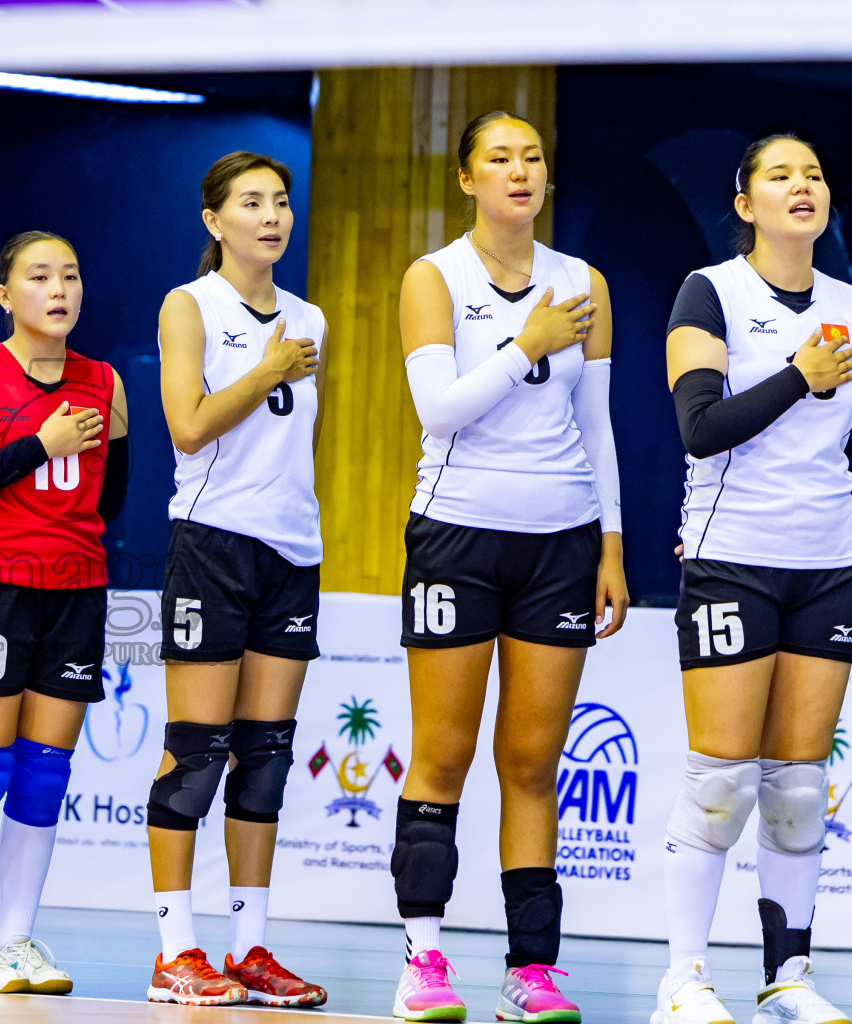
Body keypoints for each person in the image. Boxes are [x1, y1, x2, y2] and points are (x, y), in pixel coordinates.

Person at [393, 111, 626, 1023]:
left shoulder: (583, 281)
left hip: (562, 540)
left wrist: (610, 543)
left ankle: (531, 970)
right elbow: (440, 411)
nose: (519, 171)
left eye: (531, 157)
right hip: (458, 533)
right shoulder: (435, 276)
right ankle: (426, 957)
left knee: (532, 762)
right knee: (444, 755)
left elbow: (598, 427)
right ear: (467, 179)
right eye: (499, 158)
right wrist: (525, 342)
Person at [652, 133, 852, 1024]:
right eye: (780, 176)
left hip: (829, 565)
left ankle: (788, 978)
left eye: (812, 175)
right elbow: (699, 427)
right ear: (746, 205)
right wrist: (799, 375)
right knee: (721, 781)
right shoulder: (711, 291)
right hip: (733, 556)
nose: (800, 187)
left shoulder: (849, 304)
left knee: (800, 789)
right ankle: (683, 980)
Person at [147, 150, 329, 1009]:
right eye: (251, 202)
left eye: (282, 202)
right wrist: (264, 370)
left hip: (292, 552)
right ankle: (175, 949)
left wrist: (280, 364)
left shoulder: (310, 318)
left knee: (265, 760)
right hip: (212, 543)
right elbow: (186, 427)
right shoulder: (191, 306)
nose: (271, 215)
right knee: (196, 753)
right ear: (214, 221)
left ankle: (250, 949)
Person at [0, 230, 129, 994]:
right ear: (7, 295)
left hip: (76, 587)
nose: (59, 290)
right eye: (40, 277)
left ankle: (16, 942)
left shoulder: (104, 381)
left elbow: (113, 491)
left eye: (70, 276)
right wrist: (39, 447)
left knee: (44, 774)